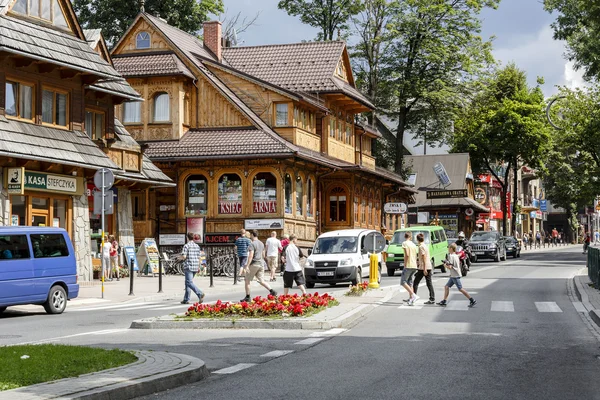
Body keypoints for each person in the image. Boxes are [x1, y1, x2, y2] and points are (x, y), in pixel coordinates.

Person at [240, 230, 277, 302]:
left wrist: (247, 265)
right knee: (261, 280)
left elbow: (251, 255)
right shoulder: (261, 243)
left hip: (254, 264)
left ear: (252, 235)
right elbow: (263, 254)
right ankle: (272, 291)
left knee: (247, 280)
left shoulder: (252, 244)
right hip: (261, 263)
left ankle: (247, 297)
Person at [437, 243, 476, 307]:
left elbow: (450, 267)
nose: (448, 249)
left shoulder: (451, 256)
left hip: (455, 275)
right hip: (453, 275)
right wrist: (447, 262)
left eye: (449, 248)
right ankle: (444, 301)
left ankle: (472, 300)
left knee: (460, 289)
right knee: (446, 287)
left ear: (451, 249)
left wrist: (445, 265)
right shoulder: (455, 255)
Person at [180, 232, 205, 304]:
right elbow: (199, 257)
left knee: (189, 282)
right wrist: (199, 266)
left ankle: (200, 294)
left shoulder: (186, 246)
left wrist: (180, 258)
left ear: (187, 237)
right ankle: (186, 299)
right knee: (188, 282)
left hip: (189, 266)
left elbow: (184, 256)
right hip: (195, 266)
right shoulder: (197, 246)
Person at [412, 233, 435, 305]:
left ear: (417, 239)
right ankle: (432, 298)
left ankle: (413, 297)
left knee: (416, 282)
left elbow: (424, 257)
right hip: (427, 266)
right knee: (429, 283)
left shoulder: (421, 247)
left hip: (423, 267)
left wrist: (424, 268)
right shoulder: (425, 245)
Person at [400, 232, 419, 306]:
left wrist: (405, 263)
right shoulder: (414, 245)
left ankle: (413, 295)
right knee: (410, 282)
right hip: (414, 265)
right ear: (411, 237)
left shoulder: (405, 243)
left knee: (403, 282)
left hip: (408, 264)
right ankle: (411, 299)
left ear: (405, 236)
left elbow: (407, 254)